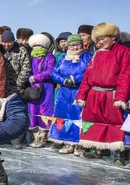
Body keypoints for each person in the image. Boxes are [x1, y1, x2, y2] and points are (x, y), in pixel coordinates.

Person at [75, 22, 130, 160]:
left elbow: (125, 75)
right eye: (97, 40)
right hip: (94, 94)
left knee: (115, 123)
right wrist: (82, 95)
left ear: (113, 37)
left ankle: (119, 152)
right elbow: (88, 76)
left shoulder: (123, 51)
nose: (100, 42)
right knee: (93, 122)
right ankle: (97, 149)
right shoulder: (97, 54)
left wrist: (121, 98)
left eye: (103, 38)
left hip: (112, 94)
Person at [48, 34, 92, 155]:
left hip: (79, 91)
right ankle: (67, 143)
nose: (74, 47)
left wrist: (73, 79)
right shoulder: (63, 58)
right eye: (72, 45)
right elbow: (54, 73)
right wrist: (63, 80)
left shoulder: (87, 57)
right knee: (63, 116)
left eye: (77, 44)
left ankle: (79, 144)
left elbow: (88, 72)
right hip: (64, 92)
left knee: (78, 117)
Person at [0, 30, 31, 149]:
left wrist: (18, 85)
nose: (6, 45)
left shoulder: (21, 51)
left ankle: (17, 139)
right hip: (1, 88)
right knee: (2, 114)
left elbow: (25, 69)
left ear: (13, 41)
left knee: (17, 114)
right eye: (4, 42)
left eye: (9, 42)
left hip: (16, 88)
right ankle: (3, 137)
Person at [26, 33, 56, 148]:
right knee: (33, 111)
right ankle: (34, 136)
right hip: (33, 88)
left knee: (44, 111)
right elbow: (28, 70)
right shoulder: (32, 57)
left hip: (45, 87)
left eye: (40, 46)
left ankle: (42, 137)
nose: (37, 48)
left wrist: (36, 77)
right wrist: (29, 78)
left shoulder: (49, 57)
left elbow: (50, 71)